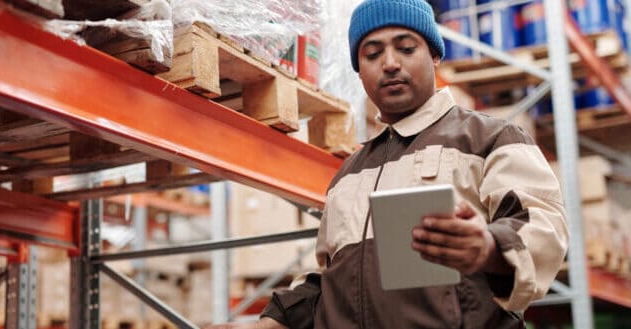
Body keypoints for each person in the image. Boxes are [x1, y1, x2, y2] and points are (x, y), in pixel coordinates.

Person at [207, 0, 568, 328]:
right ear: (359, 70)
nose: (390, 63)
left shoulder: (489, 139)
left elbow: (543, 230)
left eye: (406, 48)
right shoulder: (349, 173)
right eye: (372, 53)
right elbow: (331, 277)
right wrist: (270, 322)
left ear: (434, 55)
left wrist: (489, 247)